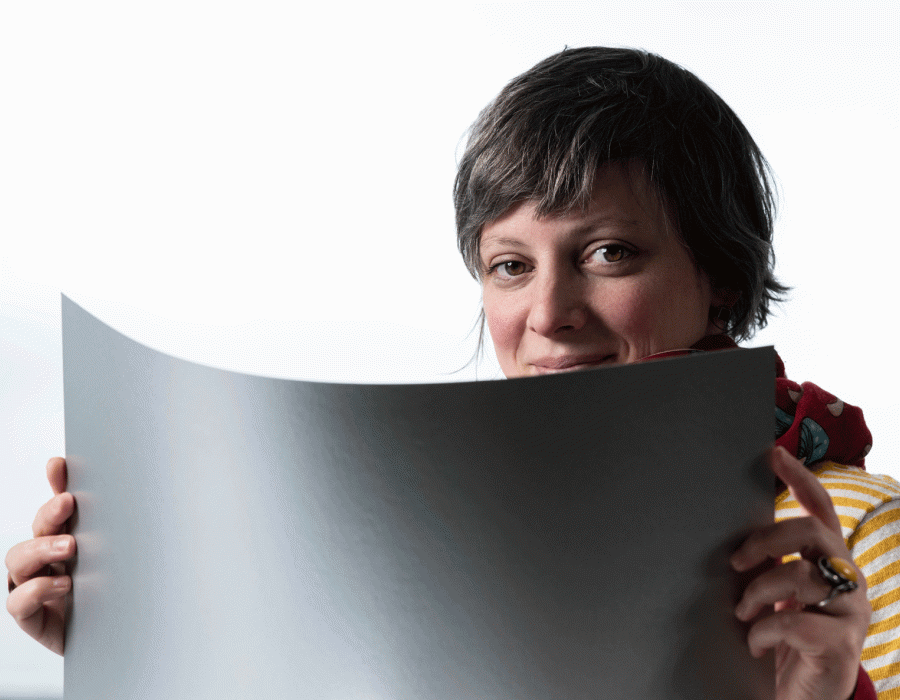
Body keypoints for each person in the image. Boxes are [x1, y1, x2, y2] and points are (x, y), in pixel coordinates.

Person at [6, 46, 900, 700]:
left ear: (722, 280)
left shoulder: (855, 531)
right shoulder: (426, 539)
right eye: (510, 266)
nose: (547, 312)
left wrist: (826, 695)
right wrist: (128, 653)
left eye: (609, 253)